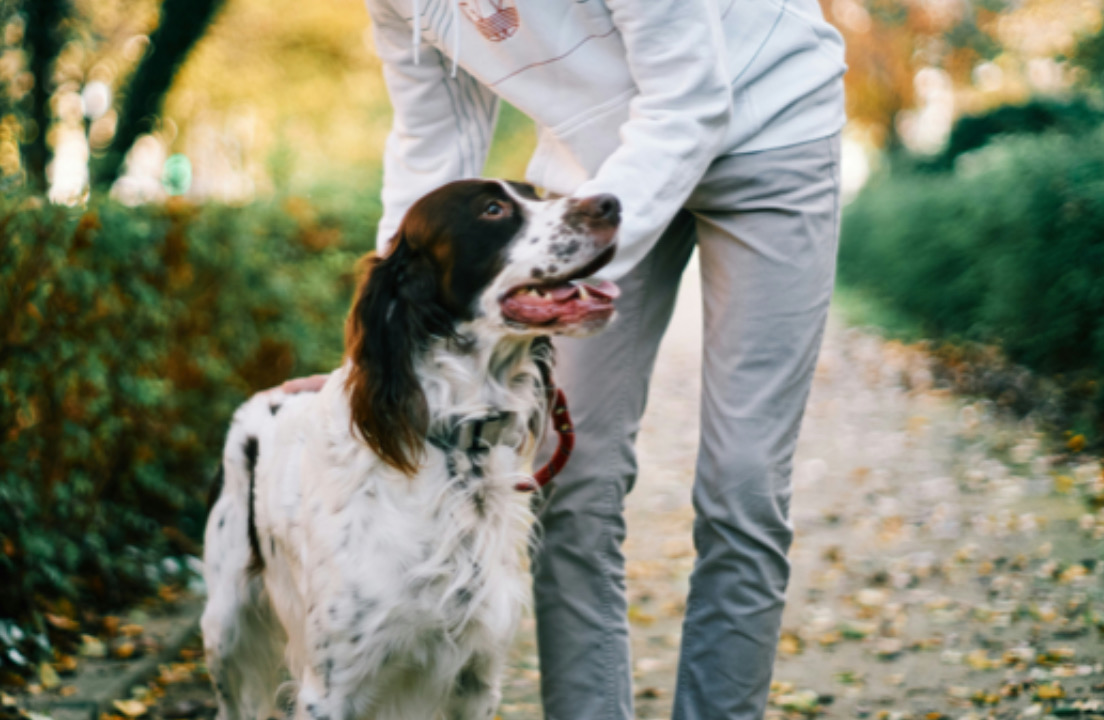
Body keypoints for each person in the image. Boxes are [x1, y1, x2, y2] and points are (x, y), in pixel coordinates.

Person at [361, 1, 846, 718]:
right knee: (569, 481)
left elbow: (689, 96)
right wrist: (385, 341)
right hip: (589, 162)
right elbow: (434, 146)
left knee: (742, 485)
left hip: (769, 127)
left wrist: (573, 259)